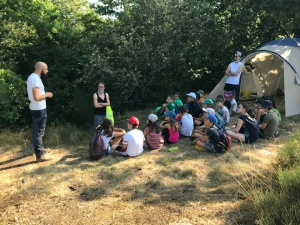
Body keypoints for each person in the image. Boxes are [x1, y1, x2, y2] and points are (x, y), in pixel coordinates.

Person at [27, 62, 53, 162]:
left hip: (37, 108)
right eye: (46, 69)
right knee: (39, 133)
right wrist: (47, 94)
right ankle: (40, 155)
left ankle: (39, 150)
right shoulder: (34, 79)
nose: (47, 71)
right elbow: (37, 97)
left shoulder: (34, 78)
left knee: (38, 131)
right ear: (40, 69)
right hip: (38, 109)